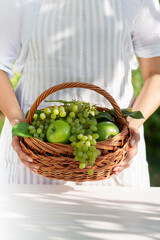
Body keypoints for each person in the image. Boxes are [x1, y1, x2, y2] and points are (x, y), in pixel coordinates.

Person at [0, 0, 160, 185]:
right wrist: (17, 122)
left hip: (113, 161)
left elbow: (156, 73)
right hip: (35, 160)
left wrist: (130, 128)